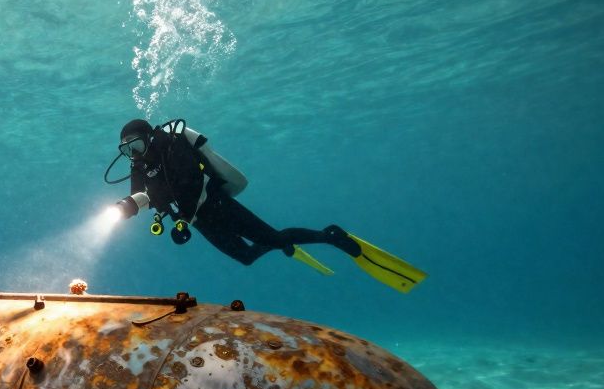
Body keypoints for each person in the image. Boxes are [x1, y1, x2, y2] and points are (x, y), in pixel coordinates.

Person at [111, 118, 425, 292]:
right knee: (247, 256)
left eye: (136, 146)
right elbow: (144, 196)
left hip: (215, 204)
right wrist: (128, 205)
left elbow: (192, 185)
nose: (134, 154)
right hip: (197, 220)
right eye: (127, 151)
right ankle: (282, 244)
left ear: (150, 137)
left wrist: (184, 220)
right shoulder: (139, 164)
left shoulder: (173, 147)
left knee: (272, 238)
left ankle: (331, 236)